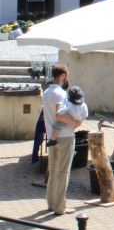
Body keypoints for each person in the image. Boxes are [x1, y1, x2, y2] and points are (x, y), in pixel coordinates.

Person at [42, 64, 82, 215]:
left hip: (52, 136)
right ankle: (60, 207)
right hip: (65, 136)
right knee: (63, 173)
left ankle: (52, 204)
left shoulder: (46, 92)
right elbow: (59, 114)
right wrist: (76, 123)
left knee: (53, 172)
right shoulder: (61, 93)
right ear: (63, 76)